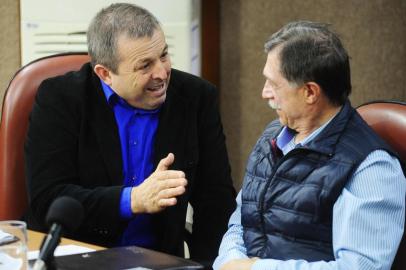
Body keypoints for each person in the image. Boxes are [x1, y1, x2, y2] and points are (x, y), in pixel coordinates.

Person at [24, 3, 236, 267]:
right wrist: (133, 199)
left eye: (164, 55)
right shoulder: (60, 99)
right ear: (105, 74)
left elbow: (215, 205)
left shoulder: (196, 98)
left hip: (156, 261)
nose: (161, 73)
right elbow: (49, 198)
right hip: (76, 256)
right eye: (144, 65)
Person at [213, 21, 406, 270]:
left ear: (310, 93)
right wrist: (230, 260)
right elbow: (240, 222)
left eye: (274, 84)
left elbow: (360, 267)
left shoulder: (371, 167)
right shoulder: (271, 137)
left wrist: (254, 269)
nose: (264, 93)